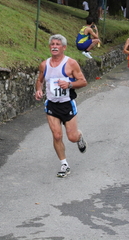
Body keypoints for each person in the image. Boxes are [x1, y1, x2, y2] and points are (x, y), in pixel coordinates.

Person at [34, 34, 88, 178]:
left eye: (58, 44)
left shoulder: (71, 63)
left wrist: (70, 84)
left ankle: (79, 137)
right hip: (52, 105)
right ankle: (64, 164)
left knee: (71, 137)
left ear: (63, 47)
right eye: (52, 44)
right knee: (57, 135)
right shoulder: (44, 65)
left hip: (67, 104)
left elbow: (83, 81)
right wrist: (38, 90)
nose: (54, 46)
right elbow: (39, 80)